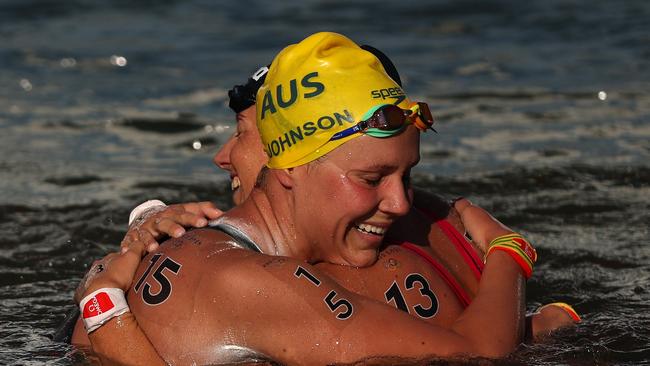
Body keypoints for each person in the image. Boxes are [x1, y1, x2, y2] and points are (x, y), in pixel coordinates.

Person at [73, 32, 541, 365]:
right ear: (291, 165)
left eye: (406, 174)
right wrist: (509, 250)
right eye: (371, 177)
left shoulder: (203, 247)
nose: (400, 202)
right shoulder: (250, 282)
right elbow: (478, 359)